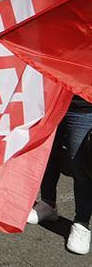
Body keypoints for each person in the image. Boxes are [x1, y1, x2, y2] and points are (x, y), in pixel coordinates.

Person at [27, 94, 92, 255]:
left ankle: (82, 223)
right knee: (47, 156)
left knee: (81, 166)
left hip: (84, 107)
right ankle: (48, 204)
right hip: (51, 99)